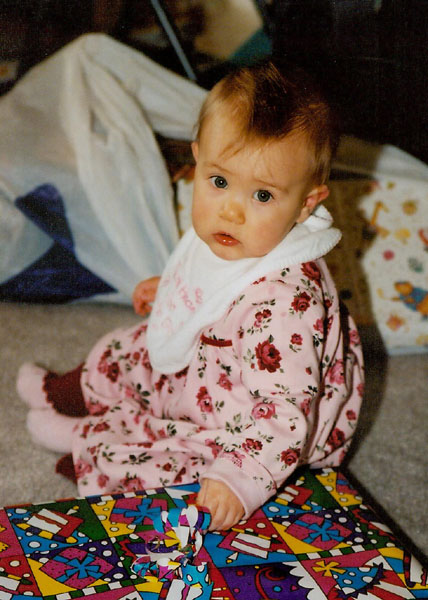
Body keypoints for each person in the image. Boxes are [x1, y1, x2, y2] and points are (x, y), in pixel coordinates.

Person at [17, 61, 364, 531]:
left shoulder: (285, 304)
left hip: (258, 428)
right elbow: (215, 279)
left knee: (177, 474)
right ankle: (69, 392)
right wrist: (171, 286)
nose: (232, 211)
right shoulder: (239, 235)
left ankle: (88, 443)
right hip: (212, 370)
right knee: (129, 348)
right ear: (198, 161)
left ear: (306, 204)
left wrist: (237, 481)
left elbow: (283, 415)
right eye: (219, 182)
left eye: (263, 196)